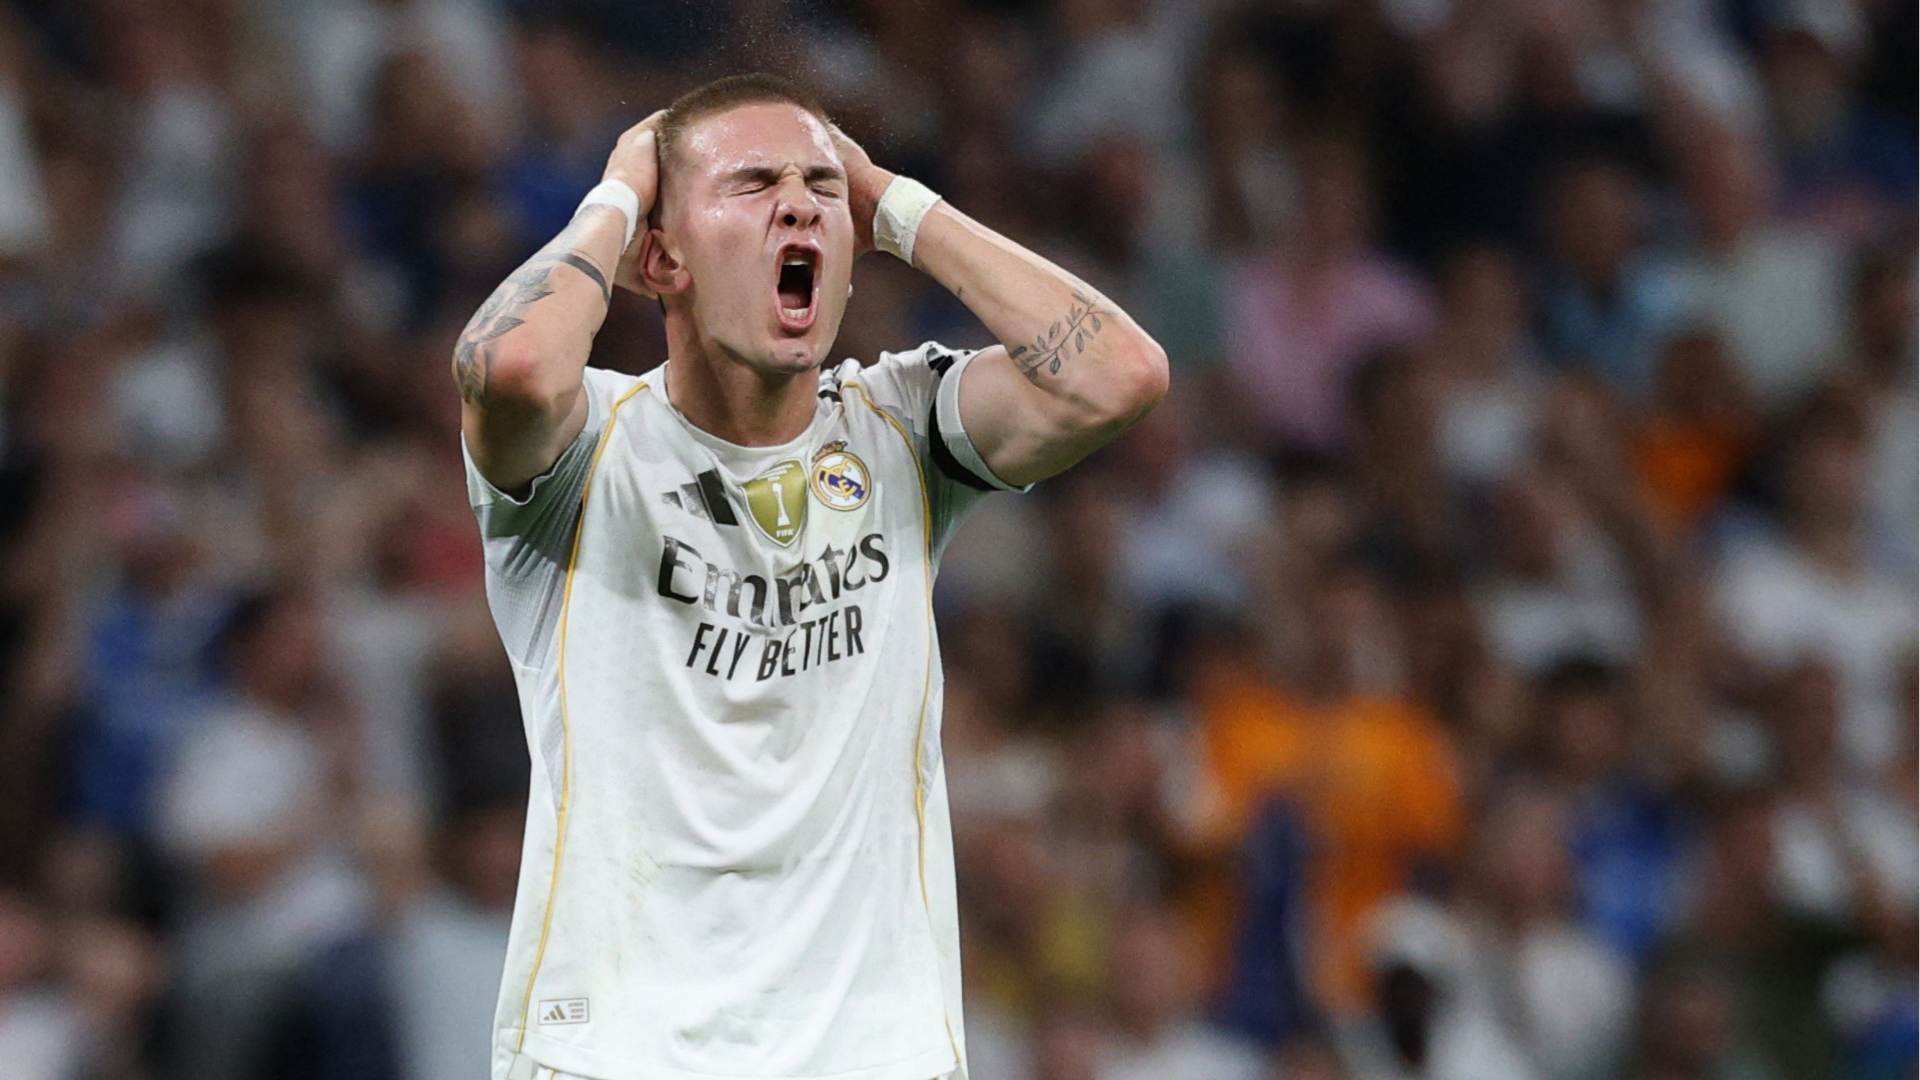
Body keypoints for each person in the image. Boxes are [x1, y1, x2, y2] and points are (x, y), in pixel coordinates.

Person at [452, 74, 1168, 1080]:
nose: (797, 204)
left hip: (872, 1054)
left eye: (819, 188)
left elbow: (1119, 376)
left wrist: (892, 203)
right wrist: (618, 195)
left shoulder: (901, 427)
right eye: (752, 184)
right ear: (663, 259)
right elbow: (512, 369)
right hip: (618, 1051)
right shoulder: (587, 451)